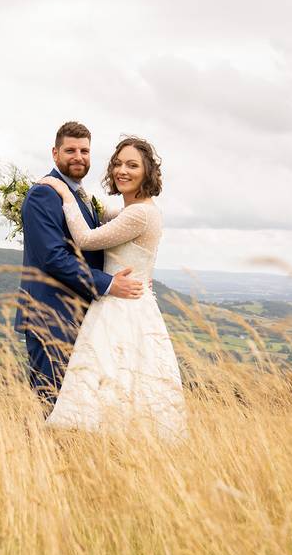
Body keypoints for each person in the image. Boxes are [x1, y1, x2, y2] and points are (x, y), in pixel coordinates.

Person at [37, 137, 188, 440]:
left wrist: (66, 195)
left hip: (121, 306)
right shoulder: (135, 210)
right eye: (118, 163)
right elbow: (103, 214)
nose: (122, 170)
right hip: (129, 302)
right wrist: (82, 196)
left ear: (148, 172)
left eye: (132, 165)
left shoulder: (139, 213)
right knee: (119, 380)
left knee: (110, 377)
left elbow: (87, 239)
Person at [14, 121, 146, 408]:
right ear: (55, 153)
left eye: (84, 151)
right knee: (52, 405)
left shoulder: (78, 196)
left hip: (79, 316)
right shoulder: (43, 194)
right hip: (51, 317)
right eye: (70, 150)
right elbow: (53, 257)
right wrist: (109, 284)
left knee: (78, 407)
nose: (78, 157)